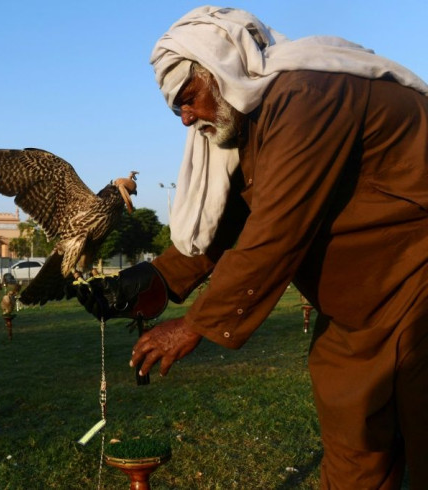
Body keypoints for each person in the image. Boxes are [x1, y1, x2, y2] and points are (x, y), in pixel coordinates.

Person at [78, 6, 428, 488]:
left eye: (188, 98)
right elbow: (228, 223)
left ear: (219, 67)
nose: (185, 118)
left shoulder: (310, 93)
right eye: (177, 107)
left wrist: (194, 325)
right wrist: (156, 279)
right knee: (355, 455)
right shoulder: (252, 128)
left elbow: (276, 229)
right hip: (359, 313)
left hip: (419, 285)